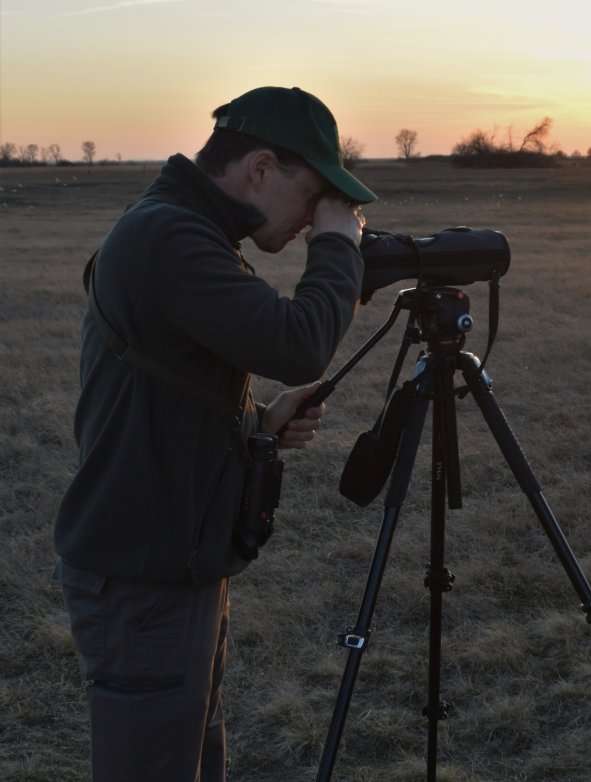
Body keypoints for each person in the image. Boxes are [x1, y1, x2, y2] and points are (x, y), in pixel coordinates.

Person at [53, 86, 376, 781]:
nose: (313, 220)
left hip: (169, 560)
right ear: (261, 167)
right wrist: (338, 245)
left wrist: (257, 425)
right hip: (144, 575)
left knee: (189, 759)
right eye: (315, 196)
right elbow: (298, 343)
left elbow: (161, 393)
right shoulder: (170, 236)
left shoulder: (183, 230)